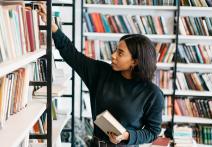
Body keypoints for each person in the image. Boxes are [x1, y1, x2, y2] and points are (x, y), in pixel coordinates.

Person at [38, 4, 164, 147]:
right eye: (116, 50)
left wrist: (127, 135)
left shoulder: (152, 93)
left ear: (134, 62)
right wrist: (52, 26)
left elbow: (153, 132)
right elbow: (71, 54)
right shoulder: (100, 72)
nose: (113, 55)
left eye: (120, 53)